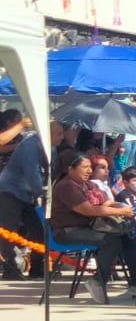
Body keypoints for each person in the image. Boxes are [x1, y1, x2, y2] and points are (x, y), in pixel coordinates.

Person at [49, 151, 136, 304]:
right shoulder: (66, 186)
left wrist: (117, 206)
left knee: (128, 236)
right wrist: (120, 211)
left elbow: (106, 201)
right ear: (70, 169)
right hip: (68, 231)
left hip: (90, 227)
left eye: (90, 167)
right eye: (84, 167)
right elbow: (89, 210)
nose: (89, 171)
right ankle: (98, 281)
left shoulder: (88, 185)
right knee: (111, 240)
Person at [0, 119, 67, 278]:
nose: (62, 137)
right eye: (59, 134)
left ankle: (38, 268)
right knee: (9, 232)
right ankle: (11, 269)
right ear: (47, 133)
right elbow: (33, 173)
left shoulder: (51, 148)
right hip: (10, 191)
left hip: (29, 194)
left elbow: (50, 173)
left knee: (40, 231)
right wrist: (43, 196)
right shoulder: (30, 146)